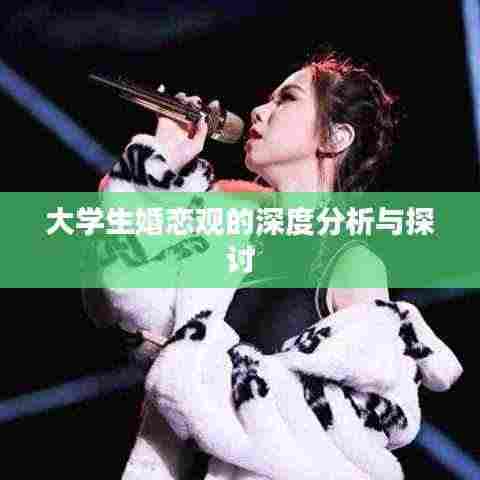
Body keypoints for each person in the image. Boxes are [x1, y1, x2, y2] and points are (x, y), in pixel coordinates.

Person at [83, 52, 462, 479]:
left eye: (287, 99)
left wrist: (207, 376)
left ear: (335, 137)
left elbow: (363, 423)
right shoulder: (220, 235)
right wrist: (162, 160)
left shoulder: (350, 263)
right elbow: (115, 299)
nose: (259, 111)